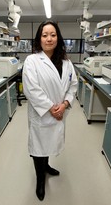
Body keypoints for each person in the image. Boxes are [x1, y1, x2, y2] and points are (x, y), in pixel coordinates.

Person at [22, 20, 78, 201]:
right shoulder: (32, 60)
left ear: (58, 38)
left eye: (53, 35)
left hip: (60, 112)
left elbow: (73, 85)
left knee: (50, 143)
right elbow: (31, 89)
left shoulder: (66, 62)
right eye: (44, 35)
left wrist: (64, 105)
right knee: (39, 147)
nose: (49, 39)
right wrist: (51, 108)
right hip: (42, 113)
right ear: (39, 39)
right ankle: (40, 179)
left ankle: (46, 167)